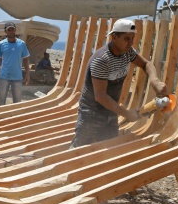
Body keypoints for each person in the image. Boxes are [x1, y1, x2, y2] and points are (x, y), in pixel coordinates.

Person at [72, 18, 168, 148]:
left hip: (111, 112)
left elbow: (146, 64)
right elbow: (100, 96)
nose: (131, 43)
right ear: (114, 37)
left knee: (108, 151)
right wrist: (126, 113)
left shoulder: (127, 53)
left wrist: (154, 81)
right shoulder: (102, 60)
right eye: (127, 38)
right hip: (91, 114)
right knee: (78, 152)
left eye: (133, 38)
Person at [0, 21, 30, 105]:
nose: (11, 31)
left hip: (17, 77)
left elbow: (26, 60)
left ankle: (16, 117)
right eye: (9, 30)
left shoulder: (21, 44)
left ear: (15, 30)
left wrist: (27, 74)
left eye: (12, 29)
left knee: (17, 102)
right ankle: (1, 117)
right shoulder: (1, 44)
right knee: (1, 101)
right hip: (4, 77)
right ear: (5, 31)